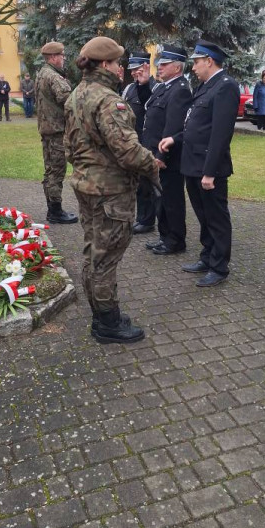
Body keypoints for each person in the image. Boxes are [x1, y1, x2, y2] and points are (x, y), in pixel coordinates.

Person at [64, 36, 160, 344]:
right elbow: (128, 152)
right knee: (105, 258)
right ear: (105, 64)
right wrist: (153, 164)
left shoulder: (77, 94)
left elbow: (69, 147)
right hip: (110, 192)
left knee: (94, 251)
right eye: (117, 62)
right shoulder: (108, 101)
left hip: (86, 186)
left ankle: (102, 313)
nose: (121, 68)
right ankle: (107, 324)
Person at [159, 39, 240, 287]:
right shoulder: (206, 86)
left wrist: (210, 172)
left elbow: (220, 134)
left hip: (208, 169)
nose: (193, 67)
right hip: (192, 165)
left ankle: (219, 266)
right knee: (203, 216)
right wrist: (174, 138)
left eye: (196, 62)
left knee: (216, 217)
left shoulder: (225, 87)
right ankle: (207, 256)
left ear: (209, 61)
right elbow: (195, 126)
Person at [142, 44, 192, 255]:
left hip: (167, 157)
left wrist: (162, 155)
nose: (159, 67)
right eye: (159, 63)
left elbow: (173, 126)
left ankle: (175, 240)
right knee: (159, 198)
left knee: (171, 200)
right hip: (154, 152)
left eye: (164, 64)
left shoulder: (180, 89)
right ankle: (164, 236)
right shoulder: (164, 86)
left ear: (177, 67)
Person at [35, 41, 78, 225]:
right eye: (61, 56)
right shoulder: (53, 77)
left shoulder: (42, 73)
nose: (64, 59)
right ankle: (55, 211)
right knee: (56, 172)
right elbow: (69, 101)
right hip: (57, 131)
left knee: (50, 170)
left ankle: (52, 209)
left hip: (47, 130)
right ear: (53, 57)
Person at [123, 52, 157, 234]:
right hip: (131, 141)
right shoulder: (129, 88)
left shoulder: (155, 86)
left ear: (145, 66)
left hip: (146, 141)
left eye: (137, 69)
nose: (135, 73)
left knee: (147, 183)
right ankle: (141, 217)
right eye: (132, 70)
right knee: (137, 183)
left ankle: (147, 220)